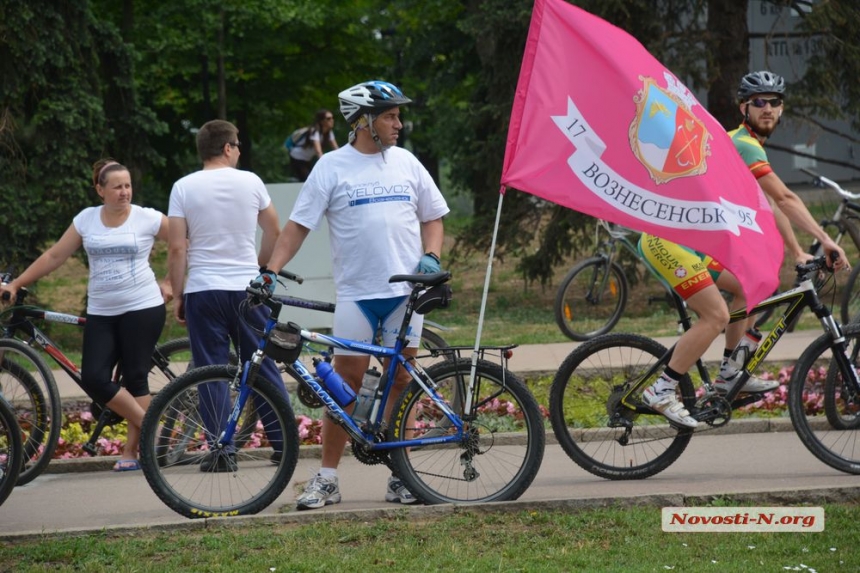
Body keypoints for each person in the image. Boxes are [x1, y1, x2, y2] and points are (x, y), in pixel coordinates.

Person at [255, 80, 449, 509]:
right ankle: (328, 478)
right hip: (358, 293)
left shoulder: (407, 163)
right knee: (344, 385)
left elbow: (433, 218)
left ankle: (403, 475)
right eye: (390, 116)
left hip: (404, 294)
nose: (399, 123)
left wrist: (430, 256)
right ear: (364, 122)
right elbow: (297, 227)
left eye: (398, 115)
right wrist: (269, 271)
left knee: (403, 380)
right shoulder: (332, 167)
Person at [637, 70, 849, 428]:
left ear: (782, 110)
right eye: (759, 102)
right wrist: (826, 240)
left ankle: (729, 375)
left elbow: (771, 204)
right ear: (744, 108)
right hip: (669, 240)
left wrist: (798, 251)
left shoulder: (753, 147)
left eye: (775, 102)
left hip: (694, 243)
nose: (768, 108)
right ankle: (661, 389)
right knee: (716, 316)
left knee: (753, 286)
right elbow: (784, 196)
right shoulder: (743, 142)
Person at [0, 158, 171, 471]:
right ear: (100, 190)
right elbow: (55, 255)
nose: (124, 192)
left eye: (128, 185)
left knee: (135, 377)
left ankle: (133, 453)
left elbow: (182, 241)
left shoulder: (147, 218)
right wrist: (19, 282)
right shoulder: (86, 220)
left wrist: (172, 280)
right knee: (94, 377)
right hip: (102, 312)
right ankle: (153, 427)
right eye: (117, 186)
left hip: (143, 307)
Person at [167, 119, 287, 472]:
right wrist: (263, 268)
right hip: (245, 288)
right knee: (260, 363)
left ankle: (222, 450)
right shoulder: (250, 182)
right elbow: (275, 230)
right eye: (237, 145)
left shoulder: (183, 187)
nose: (239, 151)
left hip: (204, 289)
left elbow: (177, 248)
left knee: (211, 370)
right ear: (227, 148)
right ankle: (283, 443)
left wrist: (178, 295)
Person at [288, 108, 340, 182]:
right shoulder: (314, 131)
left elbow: (336, 149)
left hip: (307, 159)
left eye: (332, 118)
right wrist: (326, 165)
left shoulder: (329, 133)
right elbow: (318, 151)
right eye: (328, 118)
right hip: (297, 157)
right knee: (308, 180)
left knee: (312, 179)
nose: (332, 120)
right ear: (322, 121)